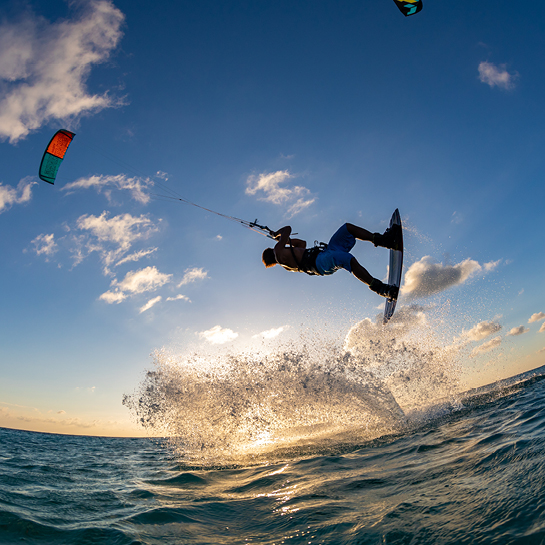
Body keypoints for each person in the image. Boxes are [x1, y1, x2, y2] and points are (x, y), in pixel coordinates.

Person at [261, 222, 401, 299]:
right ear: (271, 252)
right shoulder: (279, 253)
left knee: (347, 228)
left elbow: (302, 243)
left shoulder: (285, 255)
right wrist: (276, 234)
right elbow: (288, 228)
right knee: (349, 260)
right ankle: (381, 289)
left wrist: (282, 239)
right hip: (321, 262)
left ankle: (384, 241)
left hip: (325, 253)